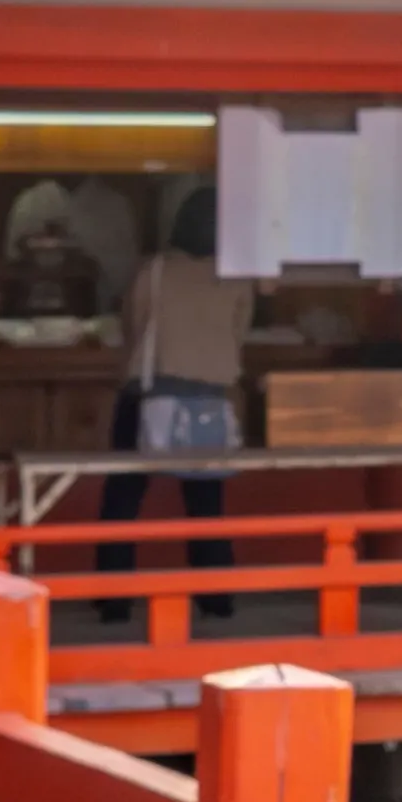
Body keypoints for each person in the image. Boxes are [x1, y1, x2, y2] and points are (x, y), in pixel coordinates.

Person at [103, 192, 256, 542]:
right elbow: (239, 333)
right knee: (206, 504)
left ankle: (113, 591)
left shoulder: (154, 271)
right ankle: (214, 595)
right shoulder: (235, 278)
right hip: (209, 396)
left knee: (123, 496)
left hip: (148, 389)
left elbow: (133, 325)